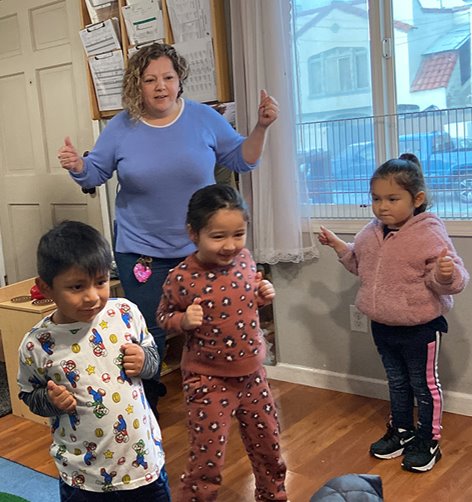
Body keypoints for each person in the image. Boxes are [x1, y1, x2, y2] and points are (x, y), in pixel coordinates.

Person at [57, 42, 279, 416]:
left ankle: (224, 399)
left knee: (215, 324)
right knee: (147, 335)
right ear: (136, 86)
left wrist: (261, 126)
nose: (160, 86)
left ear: (180, 81)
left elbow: (243, 159)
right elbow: (95, 173)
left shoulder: (203, 119)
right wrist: (78, 164)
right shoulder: (121, 127)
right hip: (141, 251)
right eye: (150, 80)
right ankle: (147, 412)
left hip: (202, 251)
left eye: (168, 77)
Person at [318, 153, 469, 473]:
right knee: (397, 382)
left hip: (420, 327)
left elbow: (454, 281)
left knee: (424, 385)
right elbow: (361, 266)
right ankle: (402, 431)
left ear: (418, 199)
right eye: (375, 199)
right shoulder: (371, 232)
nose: (382, 206)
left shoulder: (429, 232)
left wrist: (444, 273)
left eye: (391, 198)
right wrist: (338, 246)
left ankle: (428, 440)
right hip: (383, 324)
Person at [17, 221, 170, 501]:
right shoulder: (36, 344)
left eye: (100, 282)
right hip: (83, 477)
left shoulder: (126, 313)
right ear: (46, 288)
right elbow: (28, 394)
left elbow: (153, 360)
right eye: (76, 286)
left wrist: (145, 361)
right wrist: (51, 401)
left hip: (144, 464)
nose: (92, 297)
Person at [157, 184, 287, 501]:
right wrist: (182, 321)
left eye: (238, 234)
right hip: (207, 379)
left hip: (253, 375)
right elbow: (163, 315)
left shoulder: (246, 259)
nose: (230, 245)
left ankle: (273, 495)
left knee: (268, 444)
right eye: (218, 236)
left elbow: (245, 301)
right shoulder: (181, 277)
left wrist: (260, 295)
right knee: (207, 458)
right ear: (193, 232)